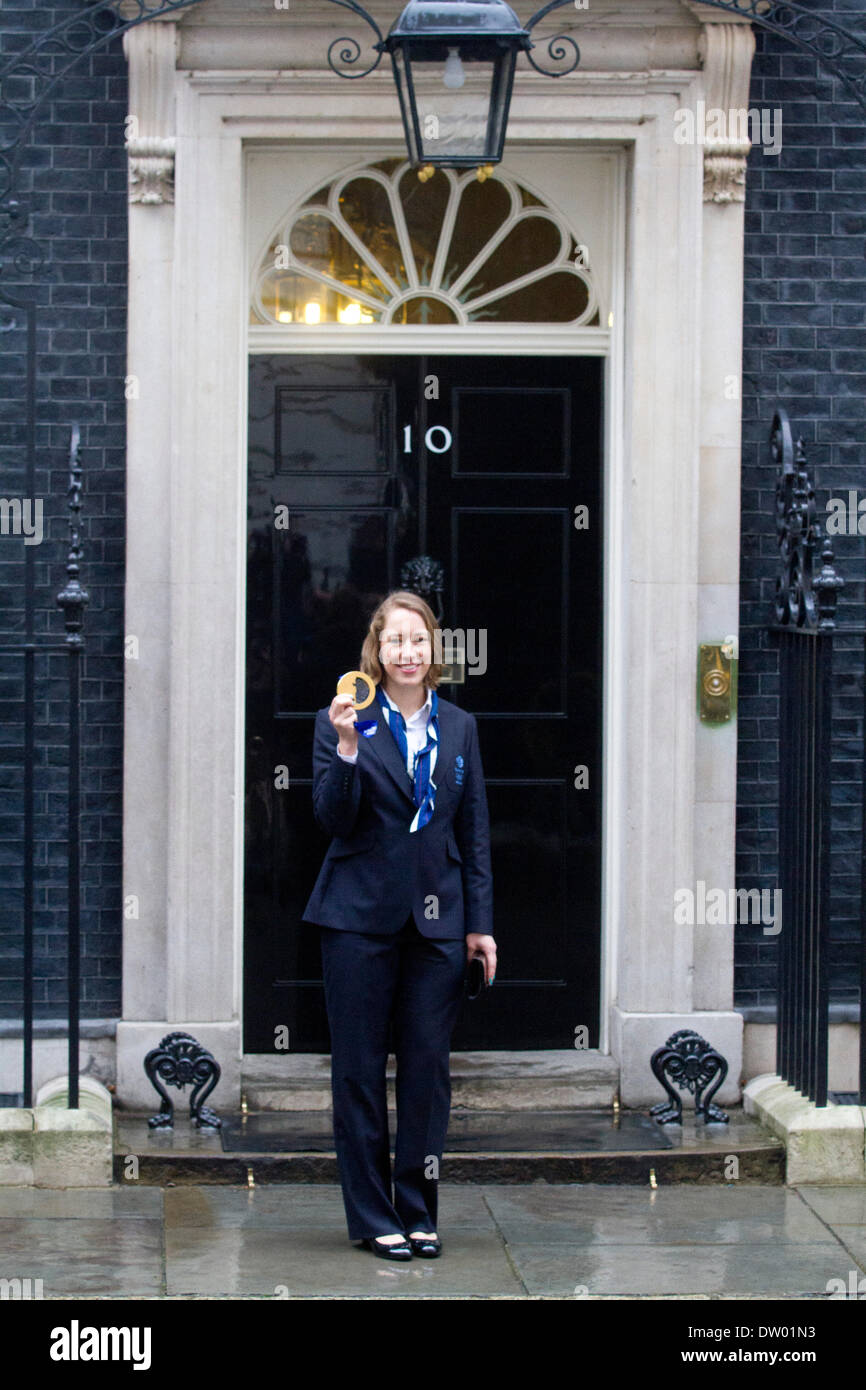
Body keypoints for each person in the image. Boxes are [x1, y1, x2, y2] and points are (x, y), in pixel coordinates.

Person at [302, 590, 496, 1260]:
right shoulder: (343, 720)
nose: (407, 653)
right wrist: (350, 747)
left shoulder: (461, 727)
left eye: (419, 640)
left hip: (439, 927)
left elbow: (473, 836)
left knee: (426, 1071)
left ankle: (417, 1209)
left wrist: (481, 926)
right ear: (375, 652)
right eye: (395, 642)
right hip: (357, 920)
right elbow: (331, 819)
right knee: (357, 1071)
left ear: (433, 649)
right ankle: (372, 1216)